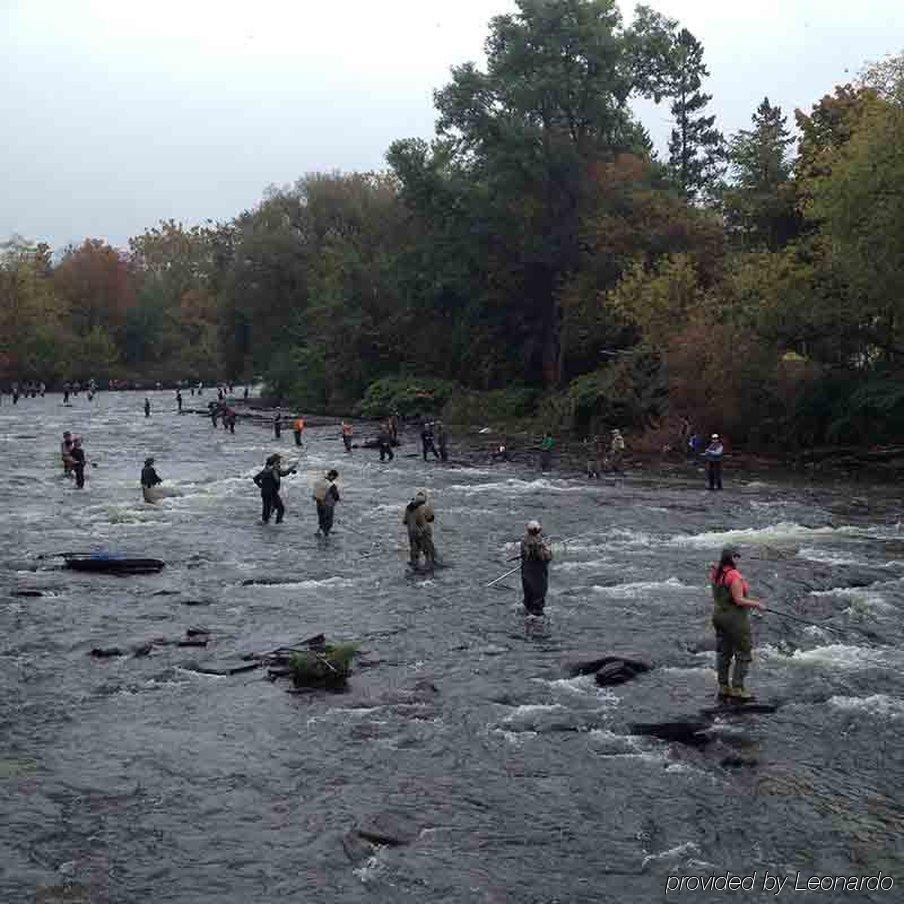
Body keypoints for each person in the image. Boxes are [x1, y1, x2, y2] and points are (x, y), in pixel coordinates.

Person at [711, 546, 765, 701]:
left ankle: (723, 686)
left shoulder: (716, 573)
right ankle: (737, 688)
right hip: (734, 619)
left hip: (718, 616)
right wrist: (757, 604)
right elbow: (739, 600)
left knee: (724, 652)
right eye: (736, 557)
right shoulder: (734, 576)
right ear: (731, 558)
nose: (738, 559)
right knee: (744, 651)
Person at [253, 453, 296, 524]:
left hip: (264, 492)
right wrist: (291, 468)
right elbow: (283, 473)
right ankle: (278, 523)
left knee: (266, 509)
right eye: (278, 461)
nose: (279, 463)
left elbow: (255, 478)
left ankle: (265, 523)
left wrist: (261, 486)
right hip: (272, 492)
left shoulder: (266, 469)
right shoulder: (274, 469)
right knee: (281, 508)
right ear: (275, 462)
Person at [520, 520, 552, 615]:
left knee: (528, 599)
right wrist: (547, 547)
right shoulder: (540, 543)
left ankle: (527, 615)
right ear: (539, 530)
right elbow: (547, 557)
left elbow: (525, 554)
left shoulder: (524, 540)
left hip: (526, 572)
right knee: (537, 600)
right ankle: (536, 622)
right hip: (538, 575)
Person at [402, 490, 436, 571]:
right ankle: (430, 565)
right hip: (423, 532)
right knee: (428, 550)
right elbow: (431, 519)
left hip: (412, 533)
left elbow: (405, 521)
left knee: (414, 551)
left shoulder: (408, 508)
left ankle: (415, 565)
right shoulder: (425, 507)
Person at [312, 469, 340, 537]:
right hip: (328, 505)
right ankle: (326, 534)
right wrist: (338, 499)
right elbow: (336, 496)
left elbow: (315, 493)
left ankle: (319, 531)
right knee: (328, 520)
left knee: (321, 518)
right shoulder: (331, 485)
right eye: (334, 478)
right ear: (332, 476)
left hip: (318, 503)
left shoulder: (318, 481)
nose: (334, 479)